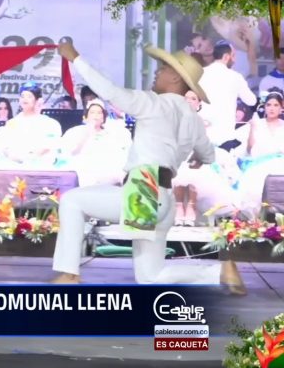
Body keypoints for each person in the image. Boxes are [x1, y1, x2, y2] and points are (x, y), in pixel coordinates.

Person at [52, 41, 246, 294]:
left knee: (72, 201)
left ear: (175, 77)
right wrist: (199, 157)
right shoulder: (192, 117)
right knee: (150, 276)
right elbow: (208, 153)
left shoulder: (152, 103)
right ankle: (218, 272)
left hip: (143, 190)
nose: (157, 72)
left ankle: (68, 273)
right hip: (164, 200)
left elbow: (109, 90)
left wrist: (75, 57)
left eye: (163, 67)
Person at [172, 90, 239, 225]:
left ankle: (191, 206)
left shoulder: (203, 121)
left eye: (193, 98)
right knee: (180, 167)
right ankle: (179, 206)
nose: (189, 101)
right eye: (186, 98)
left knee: (195, 167)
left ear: (198, 103)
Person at [198, 41, 258, 151]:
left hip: (202, 134)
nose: (234, 60)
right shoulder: (235, 77)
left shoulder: (200, 73)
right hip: (224, 136)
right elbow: (252, 101)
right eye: (233, 56)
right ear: (226, 57)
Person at [60, 99, 130, 187]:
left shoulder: (111, 133)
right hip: (83, 173)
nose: (95, 116)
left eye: (99, 113)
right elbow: (70, 153)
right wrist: (87, 134)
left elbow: (121, 153)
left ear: (104, 118)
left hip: (108, 174)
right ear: (85, 117)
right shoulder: (74, 132)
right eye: (92, 112)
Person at [0, 84, 62, 168]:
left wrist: (30, 159)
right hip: (15, 167)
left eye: (29, 96)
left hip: (40, 167)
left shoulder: (49, 123)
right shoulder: (12, 122)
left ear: (37, 100)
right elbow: (5, 147)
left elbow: (49, 147)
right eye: (22, 96)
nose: (25, 99)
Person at [236, 89, 284, 209]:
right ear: (264, 106)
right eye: (268, 105)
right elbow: (249, 148)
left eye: (275, 105)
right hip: (260, 164)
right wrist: (252, 128)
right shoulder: (257, 124)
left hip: (280, 164)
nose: (271, 108)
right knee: (255, 185)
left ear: (281, 108)